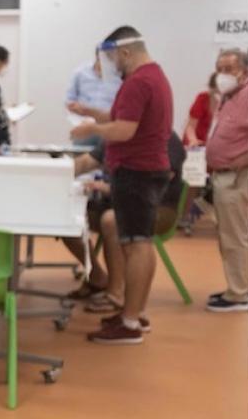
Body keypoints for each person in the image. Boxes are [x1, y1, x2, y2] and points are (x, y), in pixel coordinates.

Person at [72, 26, 174, 344]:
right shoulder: (153, 77)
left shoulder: (138, 81)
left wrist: (90, 129)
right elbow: (122, 118)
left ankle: (129, 323)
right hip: (143, 171)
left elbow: (125, 130)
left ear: (126, 52)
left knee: (136, 244)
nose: (111, 65)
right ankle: (134, 312)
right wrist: (93, 114)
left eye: (113, 58)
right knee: (137, 242)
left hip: (135, 173)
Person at [63, 132, 187, 322]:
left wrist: (108, 188)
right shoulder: (117, 134)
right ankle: (97, 278)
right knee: (65, 218)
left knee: (112, 221)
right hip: (117, 201)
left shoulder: (166, 140)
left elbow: (155, 182)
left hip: (157, 207)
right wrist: (55, 174)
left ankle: (116, 294)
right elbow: (87, 161)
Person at [205, 48, 248, 312]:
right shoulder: (229, 96)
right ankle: (240, 285)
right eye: (219, 69)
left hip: (237, 176)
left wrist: (242, 161)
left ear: (244, 72)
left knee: (235, 236)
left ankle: (238, 295)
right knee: (232, 234)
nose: (222, 75)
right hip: (224, 174)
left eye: (229, 69)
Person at [65, 47, 123, 141]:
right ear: (97, 57)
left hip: (109, 129)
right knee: (82, 155)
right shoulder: (80, 73)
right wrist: (81, 122)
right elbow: (70, 103)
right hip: (83, 128)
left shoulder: (120, 76)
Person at [183, 73, 221, 147]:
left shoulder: (224, 101)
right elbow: (190, 127)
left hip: (207, 144)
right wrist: (193, 140)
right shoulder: (203, 98)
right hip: (194, 143)